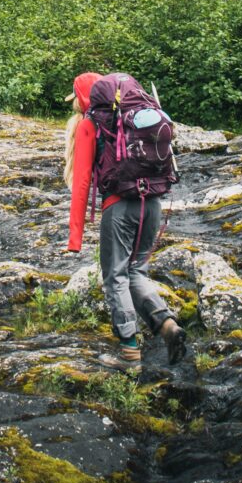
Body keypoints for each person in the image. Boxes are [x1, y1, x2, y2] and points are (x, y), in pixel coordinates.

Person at [64, 72, 187, 370]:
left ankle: (129, 352)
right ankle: (167, 324)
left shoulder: (90, 125)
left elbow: (81, 183)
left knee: (116, 276)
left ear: (83, 98)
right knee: (136, 272)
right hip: (152, 204)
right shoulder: (133, 116)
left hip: (119, 207)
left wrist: (75, 238)